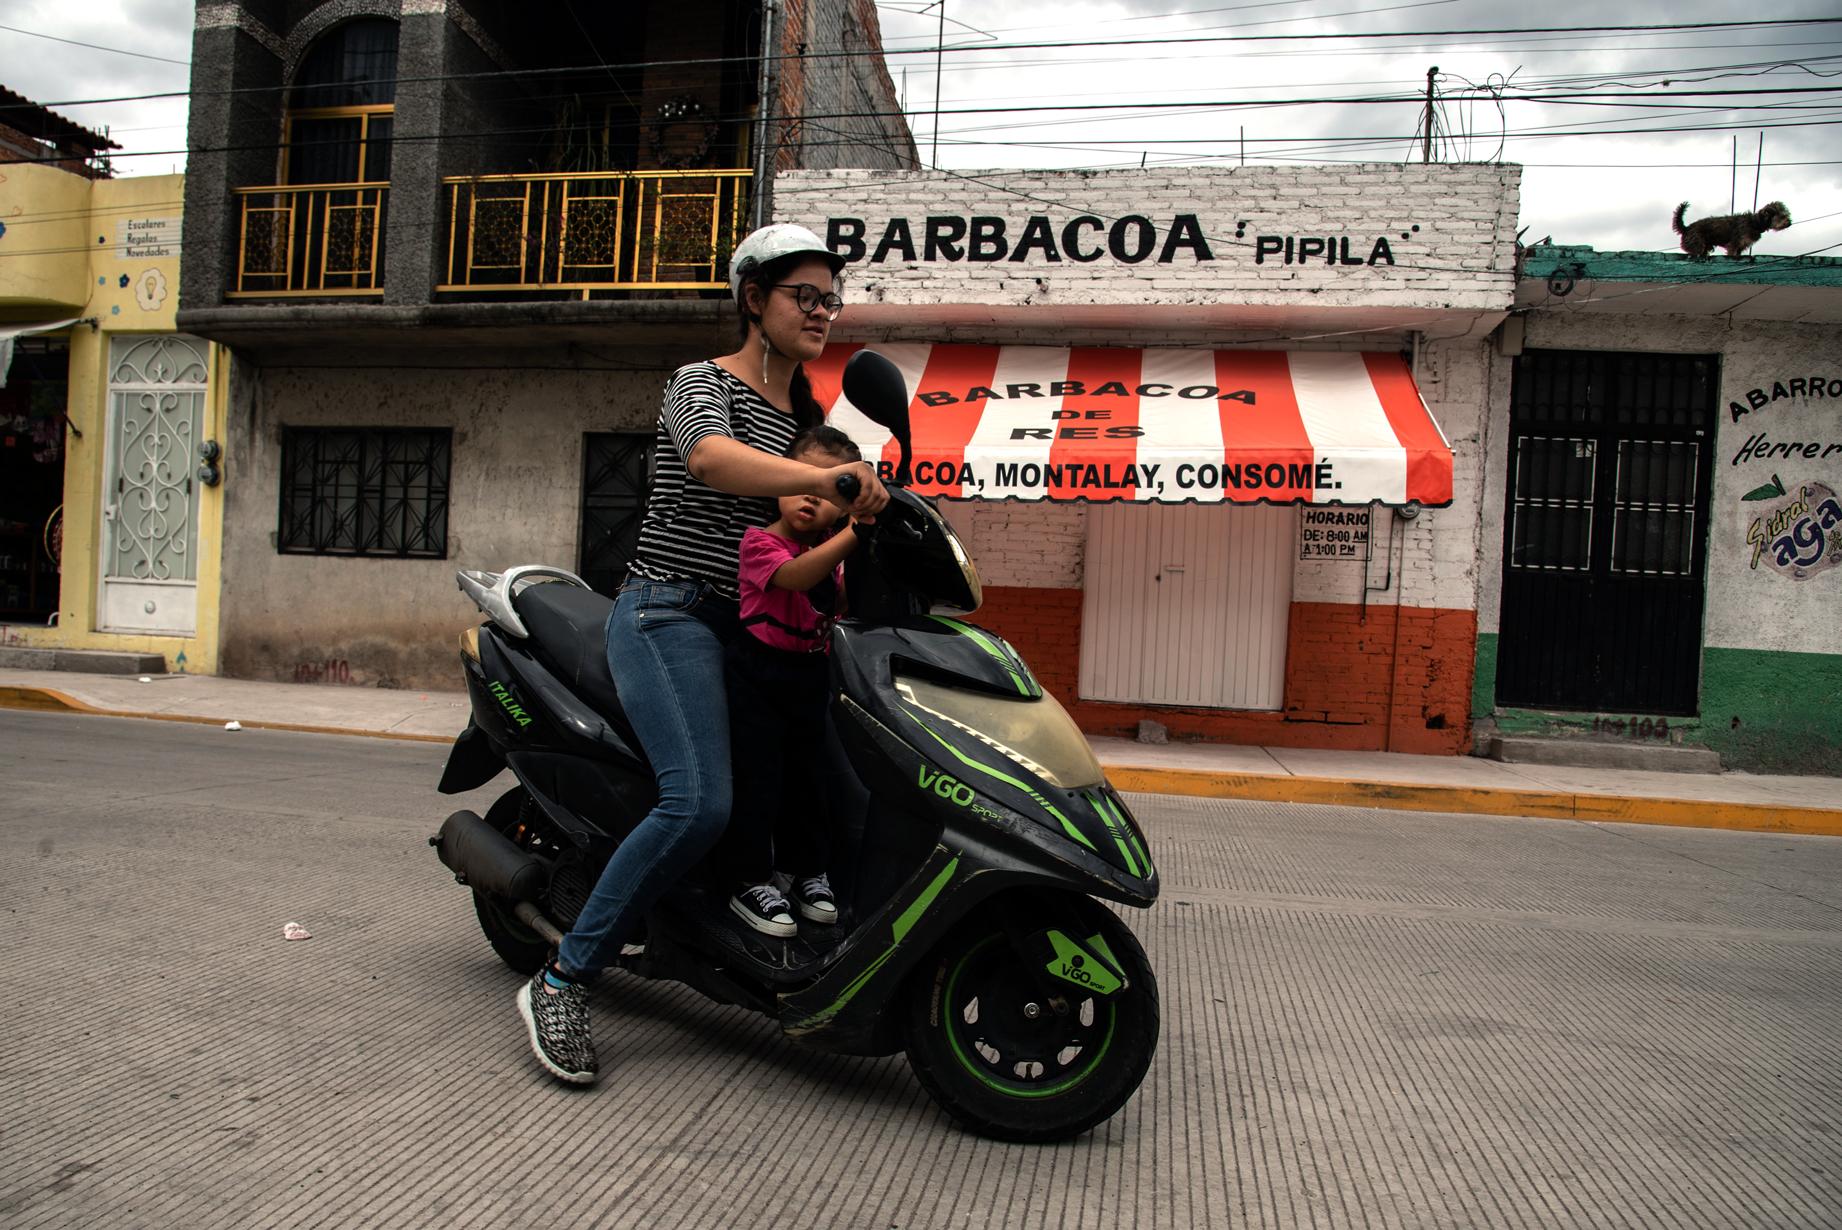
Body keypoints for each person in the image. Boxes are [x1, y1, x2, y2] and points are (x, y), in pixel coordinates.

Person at [515, 224, 888, 1086]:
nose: (824, 311)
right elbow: (713, 462)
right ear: (754, 299)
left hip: (761, 625)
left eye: (833, 298)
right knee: (699, 802)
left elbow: (824, 502)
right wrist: (825, 482)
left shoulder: (810, 419)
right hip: (669, 614)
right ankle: (564, 978)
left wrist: (876, 501)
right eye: (807, 295)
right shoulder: (700, 386)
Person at [720, 425, 864, 937]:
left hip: (809, 674)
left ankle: (807, 871)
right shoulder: (759, 542)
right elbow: (798, 577)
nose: (812, 494)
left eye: (830, 490)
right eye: (804, 478)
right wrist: (859, 529)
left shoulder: (835, 546)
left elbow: (842, 601)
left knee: (809, 777)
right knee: (757, 778)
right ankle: (749, 879)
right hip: (756, 672)